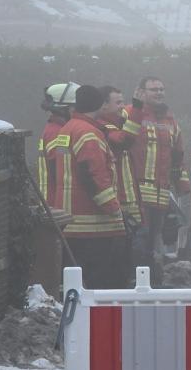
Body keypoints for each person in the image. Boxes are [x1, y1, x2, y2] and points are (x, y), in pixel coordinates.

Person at [49, 85, 133, 289]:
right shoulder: (89, 134)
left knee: (76, 285)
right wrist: (114, 209)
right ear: (98, 105)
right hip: (93, 225)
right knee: (101, 285)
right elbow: (95, 176)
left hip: (71, 220)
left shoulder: (68, 128)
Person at [123, 76, 189, 285]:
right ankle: (135, 282)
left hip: (161, 196)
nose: (159, 93)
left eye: (161, 89)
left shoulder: (170, 120)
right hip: (136, 195)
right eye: (153, 89)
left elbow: (178, 155)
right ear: (140, 92)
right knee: (138, 242)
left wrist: (182, 185)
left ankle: (153, 282)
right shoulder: (129, 114)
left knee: (154, 244)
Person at [98, 86, 142, 228]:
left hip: (131, 200)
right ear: (103, 105)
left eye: (123, 102)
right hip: (118, 201)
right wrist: (137, 108)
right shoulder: (102, 126)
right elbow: (124, 141)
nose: (123, 106)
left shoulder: (120, 124)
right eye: (118, 103)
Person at [36, 82, 78, 205]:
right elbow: (60, 173)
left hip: (52, 201)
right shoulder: (56, 133)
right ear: (63, 110)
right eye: (74, 108)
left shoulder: (55, 128)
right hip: (54, 203)